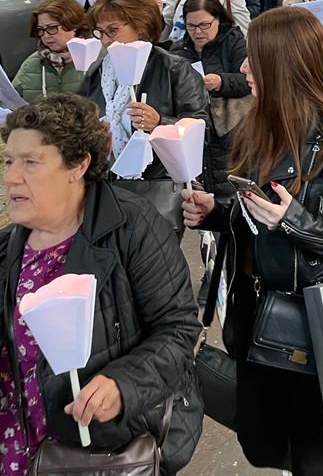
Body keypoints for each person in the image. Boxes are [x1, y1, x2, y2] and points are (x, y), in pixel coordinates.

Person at [182, 8, 323, 476]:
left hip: (308, 317)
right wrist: (218, 212)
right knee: (262, 438)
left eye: (254, 61)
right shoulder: (255, 127)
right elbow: (254, 212)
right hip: (250, 306)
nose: (244, 69)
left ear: (284, 66)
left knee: (311, 446)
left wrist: (295, 219)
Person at [0, 94, 203, 474]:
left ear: (77, 165)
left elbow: (179, 330)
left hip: (104, 450)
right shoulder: (9, 248)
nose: (11, 176)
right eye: (10, 160)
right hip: (18, 445)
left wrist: (122, 384)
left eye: (31, 162)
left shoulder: (131, 227)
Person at [79, 0, 209, 181]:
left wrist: (159, 123)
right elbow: (78, 120)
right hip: (104, 182)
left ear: (140, 27)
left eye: (113, 30)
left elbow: (202, 133)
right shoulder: (98, 71)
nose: (105, 40)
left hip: (157, 183)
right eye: (99, 32)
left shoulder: (174, 69)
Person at [170, 0, 249, 199]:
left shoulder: (234, 41)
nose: (197, 32)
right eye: (191, 26)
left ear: (218, 19)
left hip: (230, 131)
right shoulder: (179, 49)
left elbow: (247, 81)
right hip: (195, 135)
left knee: (229, 195)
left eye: (205, 25)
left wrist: (221, 82)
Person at [12, 0, 91, 102]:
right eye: (40, 29)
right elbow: (10, 102)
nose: (46, 36)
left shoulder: (98, 57)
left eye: (52, 28)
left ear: (73, 25)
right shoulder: (31, 64)